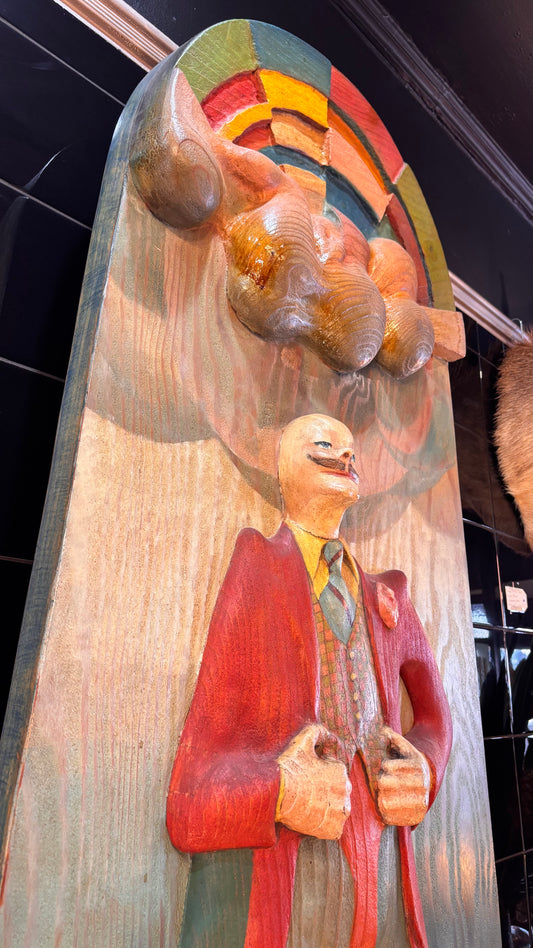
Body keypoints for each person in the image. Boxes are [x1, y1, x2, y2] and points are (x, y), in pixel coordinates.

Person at [167, 413, 452, 948]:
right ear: (282, 466)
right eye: (324, 445)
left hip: (390, 894)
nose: (344, 457)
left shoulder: (387, 594)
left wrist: (425, 768)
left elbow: (436, 714)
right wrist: (281, 790)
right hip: (290, 908)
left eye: (350, 452)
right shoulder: (256, 567)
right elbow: (188, 801)